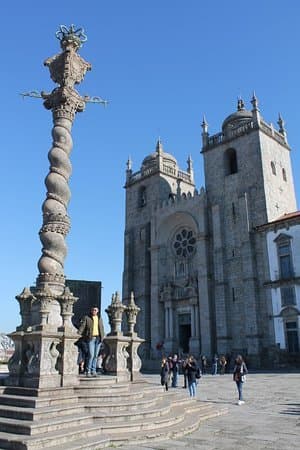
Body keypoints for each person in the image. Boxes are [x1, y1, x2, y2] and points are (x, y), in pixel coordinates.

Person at [78, 306, 105, 377]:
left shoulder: (99, 318)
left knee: (96, 356)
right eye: (93, 310)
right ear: (91, 310)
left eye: (95, 310)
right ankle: (88, 371)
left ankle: (94, 371)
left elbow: (102, 328)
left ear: (98, 311)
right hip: (91, 338)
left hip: (98, 339)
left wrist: (103, 337)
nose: (94, 311)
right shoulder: (87, 318)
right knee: (91, 355)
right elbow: (82, 326)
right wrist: (78, 334)